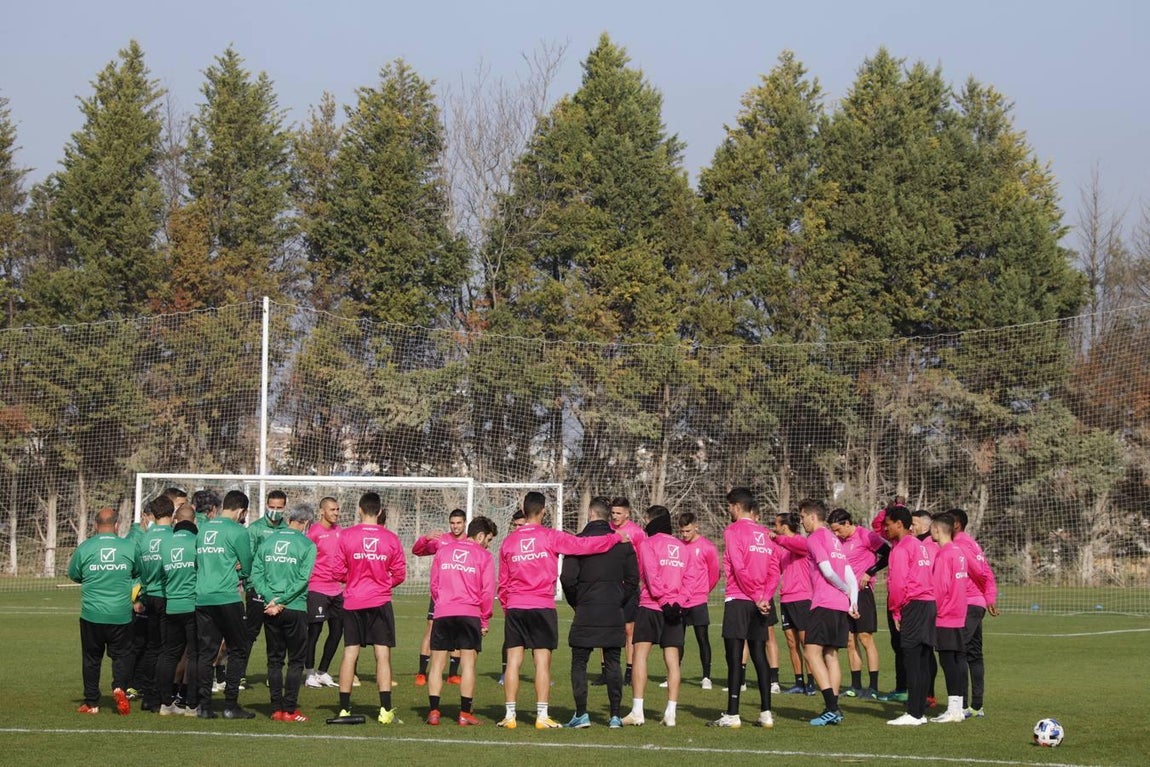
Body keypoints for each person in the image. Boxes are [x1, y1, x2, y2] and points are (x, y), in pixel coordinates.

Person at [497, 491, 625, 730]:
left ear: (524, 511)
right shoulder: (550, 536)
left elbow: (502, 583)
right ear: (544, 511)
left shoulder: (509, 541)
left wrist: (508, 607)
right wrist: (614, 539)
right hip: (542, 605)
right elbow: (584, 545)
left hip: (516, 605)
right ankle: (541, 715)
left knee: (513, 662)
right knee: (542, 662)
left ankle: (510, 715)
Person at [560, 496, 639, 729]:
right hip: (613, 611)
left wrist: (578, 601)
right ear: (608, 516)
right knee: (613, 661)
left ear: (591, 514)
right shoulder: (623, 544)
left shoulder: (578, 542)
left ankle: (581, 714)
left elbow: (567, 578)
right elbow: (634, 579)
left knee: (579, 661)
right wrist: (617, 599)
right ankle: (615, 716)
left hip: (586, 610)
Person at [708, 488, 780, 729]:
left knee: (735, 657)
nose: (729, 511)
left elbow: (739, 567)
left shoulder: (733, 530)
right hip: (760, 603)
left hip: (739, 599)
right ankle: (766, 713)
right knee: (760, 655)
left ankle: (732, 713)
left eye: (729, 507)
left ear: (737, 507)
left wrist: (754, 594)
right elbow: (774, 570)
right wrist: (764, 596)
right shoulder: (766, 534)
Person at [334, 492, 406, 725]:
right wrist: (383, 583)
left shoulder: (345, 536)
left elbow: (336, 571)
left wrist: (354, 579)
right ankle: (385, 711)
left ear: (359, 509)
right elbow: (400, 574)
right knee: (382, 655)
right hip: (380, 602)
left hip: (353, 601)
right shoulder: (391, 538)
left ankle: (344, 710)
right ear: (380, 511)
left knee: (350, 653)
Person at [425, 516, 498, 726]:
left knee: (437, 663)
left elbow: (434, 585)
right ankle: (465, 713)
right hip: (470, 613)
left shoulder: (444, 551)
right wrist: (485, 620)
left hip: (443, 612)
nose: (488, 544)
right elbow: (487, 592)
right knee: (468, 665)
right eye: (488, 539)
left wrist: (443, 604)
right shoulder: (483, 556)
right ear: (481, 535)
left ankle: (434, 712)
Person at [68, 507, 140, 715]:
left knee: (91, 659)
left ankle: (92, 703)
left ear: (95, 525)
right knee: (122, 656)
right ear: (117, 525)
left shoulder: (85, 547)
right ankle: (119, 687)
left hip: (92, 614)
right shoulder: (129, 547)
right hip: (121, 614)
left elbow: (73, 574)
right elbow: (138, 573)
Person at [623, 506, 691, 727]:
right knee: (673, 661)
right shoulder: (682, 547)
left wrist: (664, 600)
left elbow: (651, 576)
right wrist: (677, 602)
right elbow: (690, 580)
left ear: (652, 520)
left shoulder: (647, 543)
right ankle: (670, 713)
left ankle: (637, 711)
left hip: (652, 606)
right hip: (674, 609)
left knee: (640, 655)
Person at [795, 499, 858, 727]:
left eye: (802, 517)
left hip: (824, 603)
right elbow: (850, 574)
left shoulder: (815, 538)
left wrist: (843, 589)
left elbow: (828, 571)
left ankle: (832, 708)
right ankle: (834, 708)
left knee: (811, 654)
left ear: (812, 517)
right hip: (840, 606)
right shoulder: (835, 540)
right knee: (830, 655)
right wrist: (852, 599)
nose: (801, 522)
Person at [193, 489, 255, 719]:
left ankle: (205, 706)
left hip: (202, 597)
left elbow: (196, 561)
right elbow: (247, 566)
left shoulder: (204, 529)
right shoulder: (237, 531)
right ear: (241, 510)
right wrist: (240, 571)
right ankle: (230, 705)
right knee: (238, 648)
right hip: (227, 597)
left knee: (206, 653)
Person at [252, 504, 317, 722]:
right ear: (306, 523)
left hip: (270, 609)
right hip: (295, 607)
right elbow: (302, 580)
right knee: (296, 661)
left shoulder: (268, 542)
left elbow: (256, 574)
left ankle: (276, 709)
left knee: (274, 660)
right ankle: (289, 709)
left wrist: (271, 598)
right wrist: (281, 600)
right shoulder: (307, 544)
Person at [884, 505, 939, 726]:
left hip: (914, 606)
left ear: (899, 524)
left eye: (888, 525)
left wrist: (896, 611)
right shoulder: (920, 546)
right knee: (924, 659)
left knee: (914, 660)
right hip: (929, 604)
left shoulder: (901, 549)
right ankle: (919, 710)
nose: (886, 529)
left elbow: (898, 584)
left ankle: (914, 713)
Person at [828, 507, 889, 699]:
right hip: (843, 594)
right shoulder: (838, 541)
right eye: (833, 531)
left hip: (862, 593)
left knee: (865, 638)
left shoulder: (866, 536)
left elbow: (888, 554)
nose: (836, 534)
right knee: (849, 640)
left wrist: (870, 572)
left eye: (838, 529)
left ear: (848, 523)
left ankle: (873, 687)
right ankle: (855, 686)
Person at [951, 508, 998, 718]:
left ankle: (961, 706)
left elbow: (980, 572)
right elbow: (986, 571)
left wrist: (987, 596)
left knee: (958, 651)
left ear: (957, 525)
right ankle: (977, 706)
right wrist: (988, 597)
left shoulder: (960, 544)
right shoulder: (970, 541)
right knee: (973, 653)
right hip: (976, 603)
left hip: (968, 603)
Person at [413, 508, 468, 686]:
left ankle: (452, 674)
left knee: (458, 634)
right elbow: (418, 551)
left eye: (459, 523)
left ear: (464, 523)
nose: (455, 526)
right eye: (452, 523)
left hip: (460, 596)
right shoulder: (441, 540)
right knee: (430, 629)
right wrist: (425, 538)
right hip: (440, 595)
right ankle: (422, 672)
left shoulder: (470, 542)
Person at [156, 504, 199, 716]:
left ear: (175, 520)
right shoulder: (197, 542)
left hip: (171, 604)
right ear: (194, 521)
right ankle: (191, 705)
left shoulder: (165, 544)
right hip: (192, 604)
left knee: (168, 655)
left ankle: (165, 703)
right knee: (194, 655)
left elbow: (160, 574)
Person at [135, 495, 175, 712]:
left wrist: (141, 597)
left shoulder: (145, 538)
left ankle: (148, 696)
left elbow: (140, 572)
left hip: (150, 595)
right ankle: (163, 696)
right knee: (168, 649)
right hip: (169, 596)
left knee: (152, 647)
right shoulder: (174, 537)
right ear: (172, 513)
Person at [244, 489, 288, 679]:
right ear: (266, 506)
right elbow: (248, 558)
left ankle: (274, 676)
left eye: (279, 507)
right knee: (249, 634)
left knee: (277, 637)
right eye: (272, 507)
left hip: (279, 592)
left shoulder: (288, 531)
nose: (275, 511)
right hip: (257, 589)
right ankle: (238, 674)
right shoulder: (254, 529)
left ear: (285, 507)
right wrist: (250, 585)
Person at [928, 512, 968, 724]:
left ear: (936, 529)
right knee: (955, 661)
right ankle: (958, 708)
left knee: (948, 662)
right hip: (959, 614)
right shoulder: (958, 552)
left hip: (945, 615)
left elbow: (940, 588)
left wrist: (933, 612)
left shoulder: (944, 554)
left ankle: (953, 710)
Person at [605, 496, 646, 686]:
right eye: (612, 512)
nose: (614, 516)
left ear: (627, 513)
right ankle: (606, 671)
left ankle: (629, 671)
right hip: (610, 585)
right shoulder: (607, 530)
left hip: (629, 587)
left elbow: (643, 559)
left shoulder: (636, 533)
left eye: (618, 513)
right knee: (607, 627)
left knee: (629, 629)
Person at [772, 511, 813, 695]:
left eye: (776, 525)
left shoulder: (801, 543)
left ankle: (812, 682)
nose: (774, 528)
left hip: (803, 598)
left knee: (807, 642)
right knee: (791, 642)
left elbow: (795, 545)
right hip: (786, 599)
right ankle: (799, 682)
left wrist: (775, 538)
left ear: (784, 527)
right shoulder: (781, 548)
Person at [305, 496, 344, 689]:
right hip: (317, 588)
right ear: (322, 511)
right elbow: (304, 557)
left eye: (337, 509)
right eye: (332, 510)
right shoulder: (314, 533)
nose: (335, 513)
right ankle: (309, 673)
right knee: (314, 632)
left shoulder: (340, 532)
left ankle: (322, 671)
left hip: (337, 589)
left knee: (337, 631)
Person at [677, 512, 719, 690]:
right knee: (677, 640)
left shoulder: (707, 547)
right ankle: (674, 674)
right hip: (680, 601)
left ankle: (706, 677)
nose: (684, 534)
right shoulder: (678, 546)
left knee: (702, 639)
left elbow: (714, 573)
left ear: (696, 526)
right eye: (682, 531)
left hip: (698, 601)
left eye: (687, 531)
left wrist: (703, 591)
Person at [498, 509, 528, 686]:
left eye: (521, 525)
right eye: (515, 525)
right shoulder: (508, 543)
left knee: (538, 642)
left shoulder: (536, 542)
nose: (517, 528)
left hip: (534, 599)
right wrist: (504, 603)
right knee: (510, 639)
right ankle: (504, 672)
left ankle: (543, 674)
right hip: (514, 600)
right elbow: (503, 577)